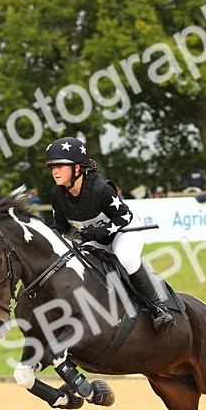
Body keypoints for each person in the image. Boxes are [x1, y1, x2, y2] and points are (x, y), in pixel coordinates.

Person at [42, 136, 174, 332]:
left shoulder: (101, 189)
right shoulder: (57, 194)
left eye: (60, 165)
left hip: (124, 233)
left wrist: (97, 232)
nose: (54, 170)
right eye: (52, 166)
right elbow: (60, 225)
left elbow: (124, 217)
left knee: (127, 258)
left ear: (77, 167)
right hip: (94, 240)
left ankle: (160, 308)